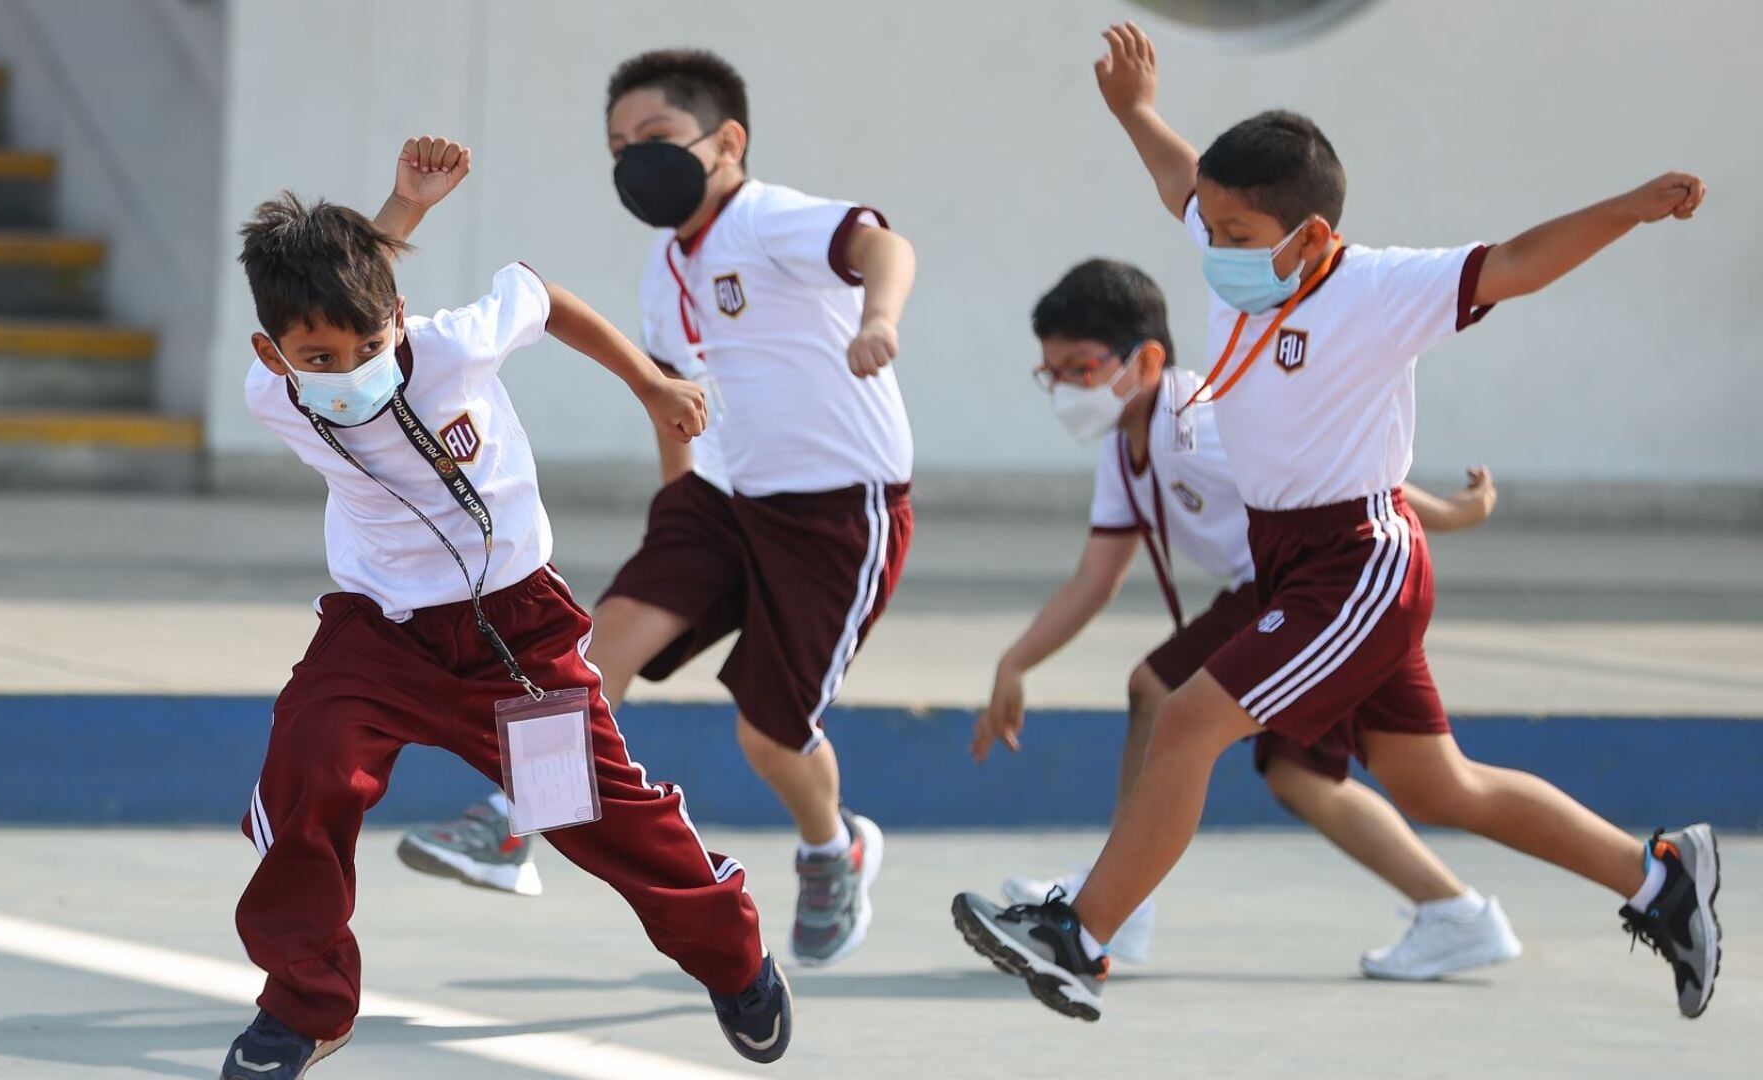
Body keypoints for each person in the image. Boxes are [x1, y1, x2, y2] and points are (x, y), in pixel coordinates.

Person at [953, 23, 1718, 1022]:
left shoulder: (1380, 290)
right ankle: (1662, 876)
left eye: (1234, 236)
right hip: (1297, 563)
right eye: (1210, 229)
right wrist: (1137, 111)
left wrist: (1631, 206)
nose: (1211, 247)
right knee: (1438, 786)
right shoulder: (1237, 246)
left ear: (1309, 237)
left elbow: (1519, 261)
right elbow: (1180, 180)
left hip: (1358, 563)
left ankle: (1080, 936)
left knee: (1186, 715)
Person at [221, 137, 790, 1079]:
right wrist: (398, 212)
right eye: (320, 356)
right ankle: (305, 1006)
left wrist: (648, 385)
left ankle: (730, 953)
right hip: (379, 637)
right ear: (271, 355)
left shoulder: (449, 343)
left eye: (372, 345)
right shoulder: (271, 395)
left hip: (512, 637)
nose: (355, 369)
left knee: (593, 819)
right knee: (306, 774)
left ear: (399, 317)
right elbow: (335, 282)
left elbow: (540, 293)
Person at [399, 50, 918, 969]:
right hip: (722, 495)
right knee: (598, 640)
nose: (635, 158)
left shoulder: (768, 218)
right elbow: (673, 391)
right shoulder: (661, 266)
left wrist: (879, 318)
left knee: (768, 733)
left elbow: (883, 244)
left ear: (727, 141)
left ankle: (834, 848)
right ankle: (518, 824)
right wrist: (679, 496)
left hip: (841, 511)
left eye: (656, 138)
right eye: (617, 147)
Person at [978, 258, 1517, 980]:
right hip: (1302, 596)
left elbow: (1341, 472)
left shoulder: (1200, 418)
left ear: (1146, 359)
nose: (1066, 389)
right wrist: (1015, 663)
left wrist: (1454, 512)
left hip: (1310, 587)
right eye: (1052, 374)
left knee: (1156, 689)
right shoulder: (1125, 443)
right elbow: (1094, 577)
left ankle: (1116, 908)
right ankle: (1457, 913)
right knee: (1306, 778)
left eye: (1079, 367)